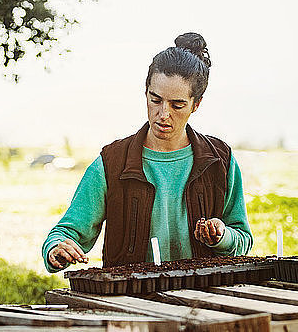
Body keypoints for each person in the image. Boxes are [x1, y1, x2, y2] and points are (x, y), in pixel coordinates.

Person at [41, 32, 253, 272]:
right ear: (146, 93)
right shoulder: (112, 163)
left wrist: (222, 236)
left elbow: (243, 239)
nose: (163, 114)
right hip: (131, 301)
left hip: (205, 298)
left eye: (177, 105)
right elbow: (66, 231)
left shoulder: (220, 160)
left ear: (196, 104)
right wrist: (56, 249)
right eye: (156, 100)